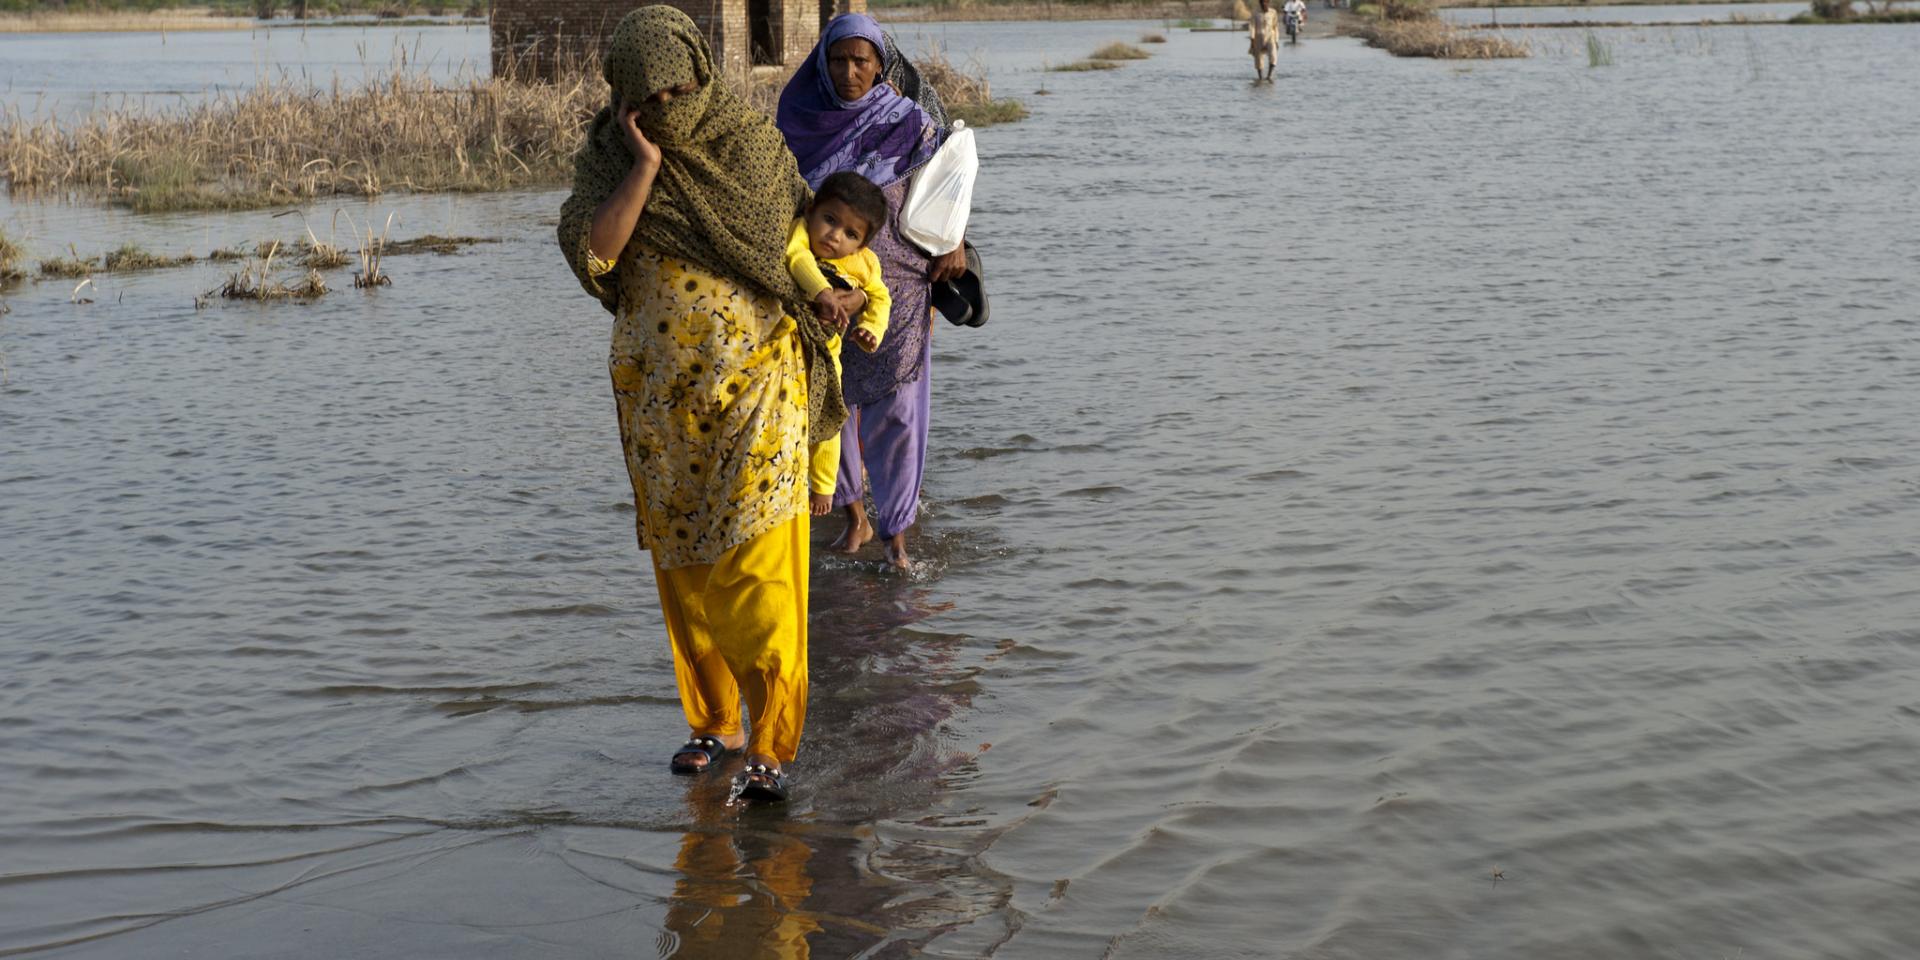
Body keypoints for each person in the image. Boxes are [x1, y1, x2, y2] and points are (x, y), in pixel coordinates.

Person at [557, 5, 846, 803]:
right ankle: (714, 721)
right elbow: (597, 256)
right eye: (648, 98)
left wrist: (834, 299)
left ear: (700, 71)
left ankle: (772, 743)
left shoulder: (751, 146)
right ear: (622, 96)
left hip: (759, 391)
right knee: (687, 571)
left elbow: (794, 246)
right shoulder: (606, 160)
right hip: (660, 408)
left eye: (679, 87)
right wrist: (644, 167)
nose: (667, 106)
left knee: (756, 571)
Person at [776, 13, 970, 571]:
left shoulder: (908, 121)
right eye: (838, 59)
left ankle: (898, 534)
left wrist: (955, 241)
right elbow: (781, 205)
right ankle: (853, 516)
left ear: (881, 66)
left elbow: (944, 193)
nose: (849, 71)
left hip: (900, 291)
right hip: (821, 290)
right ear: (822, 62)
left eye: (861, 61)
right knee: (826, 402)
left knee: (899, 410)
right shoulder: (796, 118)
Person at [783, 171, 893, 519]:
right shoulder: (798, 231)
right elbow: (796, 258)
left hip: (829, 353)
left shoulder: (864, 263)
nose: (834, 236)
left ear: (862, 244)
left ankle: (824, 487)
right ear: (812, 210)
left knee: (829, 420)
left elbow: (881, 298)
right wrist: (823, 292)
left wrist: (871, 330)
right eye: (829, 220)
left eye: (850, 234)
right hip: (787, 344)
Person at [1251, 0, 1281, 79]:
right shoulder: (1255, 13)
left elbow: (1275, 27)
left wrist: (1276, 40)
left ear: (1268, 3)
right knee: (1258, 59)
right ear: (1260, 4)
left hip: (1270, 37)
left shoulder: (1273, 12)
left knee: (1273, 55)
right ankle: (1260, 77)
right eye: (1263, 3)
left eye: (1266, 2)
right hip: (1258, 37)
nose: (1265, 4)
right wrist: (1252, 40)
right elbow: (1252, 26)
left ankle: (1269, 76)